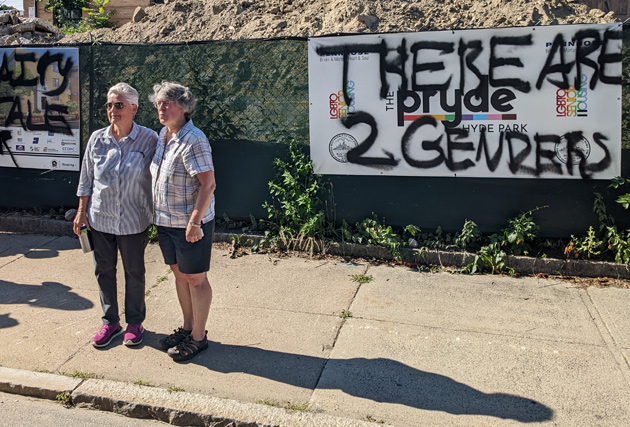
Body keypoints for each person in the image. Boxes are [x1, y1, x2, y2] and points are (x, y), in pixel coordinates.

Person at [74, 83, 158, 348]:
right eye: (110, 105)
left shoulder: (150, 140)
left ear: (134, 108)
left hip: (135, 219)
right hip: (100, 219)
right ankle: (110, 322)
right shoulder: (97, 139)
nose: (113, 110)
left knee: (134, 272)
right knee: (104, 271)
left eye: (119, 105)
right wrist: (81, 213)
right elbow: (86, 179)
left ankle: (135, 322)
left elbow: (160, 178)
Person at [149, 81, 216, 362]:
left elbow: (208, 184)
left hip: (189, 223)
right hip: (166, 221)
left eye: (167, 103)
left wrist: (195, 222)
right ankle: (188, 328)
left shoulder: (194, 139)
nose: (161, 108)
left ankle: (199, 338)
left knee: (195, 279)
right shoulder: (163, 135)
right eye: (158, 103)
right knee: (179, 274)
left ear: (183, 107)